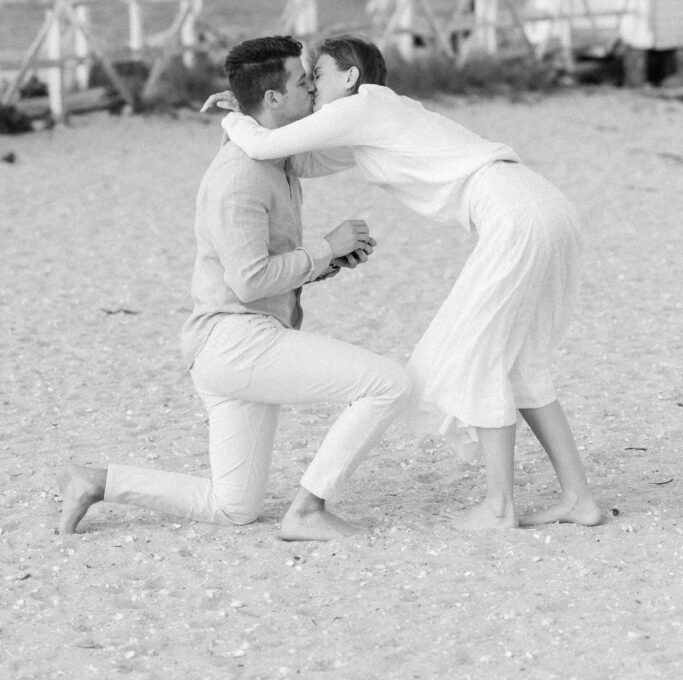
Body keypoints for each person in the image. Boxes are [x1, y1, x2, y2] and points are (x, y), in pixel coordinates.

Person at [208, 34, 602, 531]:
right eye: (305, 80)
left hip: (514, 214)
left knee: (478, 356)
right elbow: (298, 159)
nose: (311, 88)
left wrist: (234, 115)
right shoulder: (377, 117)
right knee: (519, 365)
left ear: (350, 78)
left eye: (319, 76)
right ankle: (578, 500)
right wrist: (245, 112)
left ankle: (500, 508)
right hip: (540, 205)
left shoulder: (360, 107)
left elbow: (265, 144)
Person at [58, 36, 411, 542]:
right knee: (387, 383)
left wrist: (330, 263)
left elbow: (342, 154)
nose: (313, 90)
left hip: (240, 344)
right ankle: (308, 511)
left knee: (234, 507)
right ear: (273, 99)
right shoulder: (239, 177)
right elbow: (248, 282)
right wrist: (323, 250)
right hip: (235, 340)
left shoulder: (280, 154)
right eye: (304, 82)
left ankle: (94, 481)